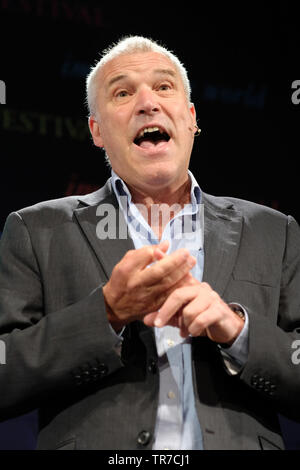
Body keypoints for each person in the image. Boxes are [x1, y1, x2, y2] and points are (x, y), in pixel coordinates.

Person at [0, 36, 300, 451]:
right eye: (122, 93)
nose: (147, 103)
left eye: (164, 87)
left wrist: (239, 331)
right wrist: (105, 313)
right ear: (97, 131)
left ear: (191, 117)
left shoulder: (274, 231)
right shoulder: (36, 229)